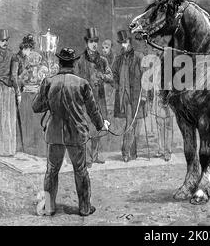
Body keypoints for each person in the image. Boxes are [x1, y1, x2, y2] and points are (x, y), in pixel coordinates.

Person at [32, 47, 110, 216]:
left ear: (59, 62)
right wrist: (100, 125)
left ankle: (49, 207)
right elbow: (93, 110)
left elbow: (36, 107)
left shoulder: (49, 81)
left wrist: (51, 101)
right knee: (80, 170)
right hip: (77, 134)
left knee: (51, 171)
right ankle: (84, 208)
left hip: (54, 134)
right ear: (74, 63)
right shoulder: (82, 83)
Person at [75, 28, 113, 166]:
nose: (94, 44)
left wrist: (102, 76)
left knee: (99, 127)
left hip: (99, 98)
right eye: (91, 41)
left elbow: (110, 76)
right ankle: (87, 158)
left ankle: (95, 156)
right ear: (87, 43)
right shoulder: (80, 61)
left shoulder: (102, 60)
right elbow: (75, 80)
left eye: (96, 41)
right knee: (86, 128)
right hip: (85, 100)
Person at [112, 29, 147, 162]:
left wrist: (143, 94)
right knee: (130, 123)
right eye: (121, 43)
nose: (123, 45)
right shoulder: (119, 58)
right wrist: (116, 85)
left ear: (130, 42)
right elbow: (113, 74)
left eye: (125, 42)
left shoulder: (139, 56)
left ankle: (130, 152)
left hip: (136, 95)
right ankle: (127, 152)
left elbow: (145, 77)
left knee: (133, 124)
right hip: (123, 96)